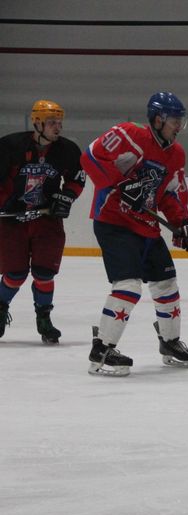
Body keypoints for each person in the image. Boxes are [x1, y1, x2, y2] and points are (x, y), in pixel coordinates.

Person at [80, 92, 188, 376]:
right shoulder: (128, 135)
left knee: (166, 283)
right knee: (129, 286)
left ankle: (169, 342)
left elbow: (169, 194)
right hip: (114, 222)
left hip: (146, 225)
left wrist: (183, 223)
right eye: (174, 121)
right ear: (158, 120)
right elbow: (89, 158)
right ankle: (102, 349)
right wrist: (121, 183)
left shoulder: (176, 154)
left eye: (181, 121)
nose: (178, 127)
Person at [0, 99, 85, 344]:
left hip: (46, 219)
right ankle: (1, 307)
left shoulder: (67, 150)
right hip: (11, 220)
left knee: (44, 273)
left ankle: (44, 317)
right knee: (14, 274)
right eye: (51, 122)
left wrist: (66, 196)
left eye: (59, 122)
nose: (57, 127)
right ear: (37, 123)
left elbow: (77, 179)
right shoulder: (10, 146)